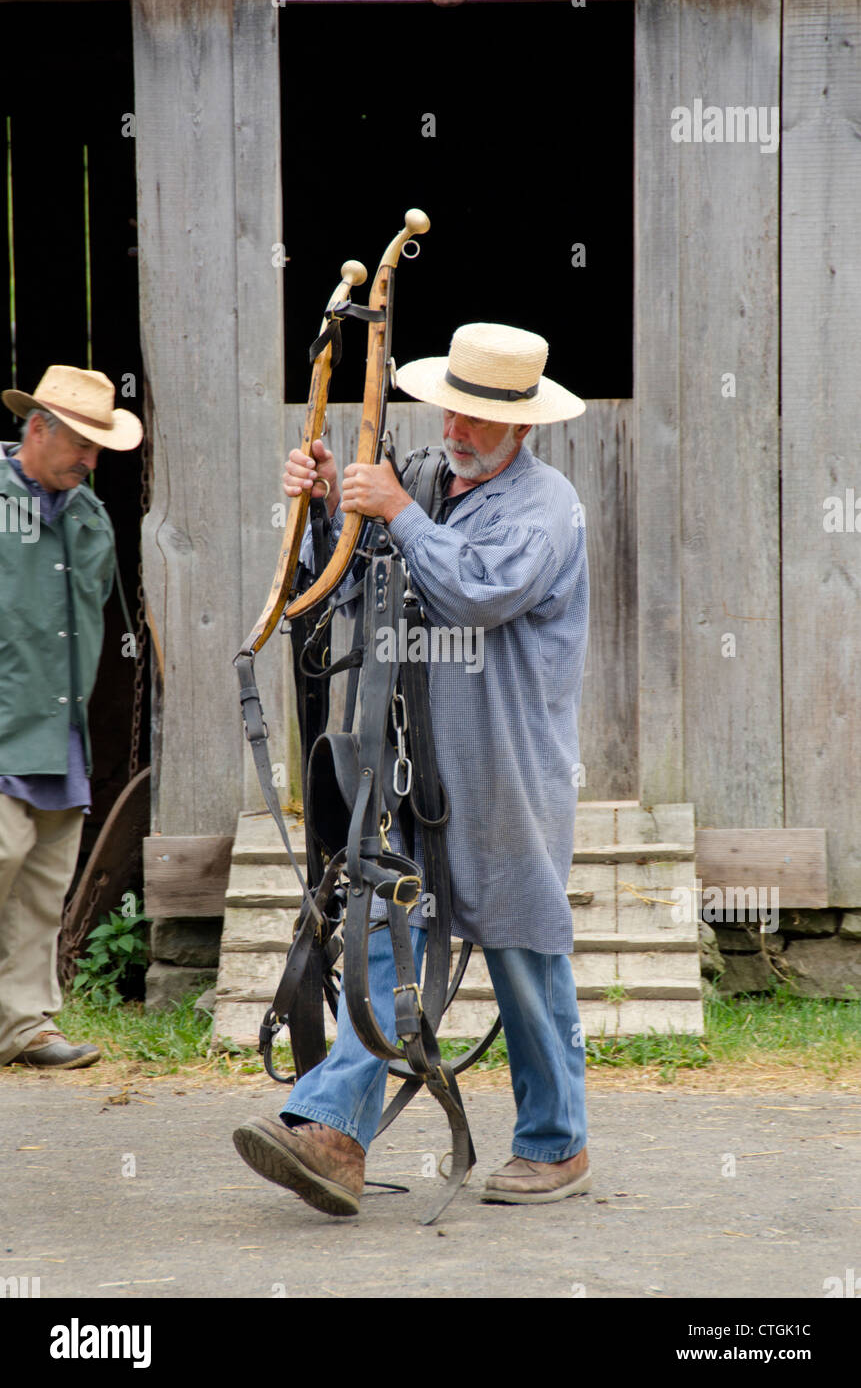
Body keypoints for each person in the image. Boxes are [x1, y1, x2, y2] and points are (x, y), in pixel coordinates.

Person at [234, 323, 590, 1211]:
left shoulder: (546, 507)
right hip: (408, 762)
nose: (456, 430)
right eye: (451, 410)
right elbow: (339, 586)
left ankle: (556, 1143)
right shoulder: (424, 481)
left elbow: (476, 589)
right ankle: (332, 1131)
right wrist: (323, 507)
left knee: (521, 950)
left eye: (477, 419)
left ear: (523, 428)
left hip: (506, 765)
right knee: (391, 935)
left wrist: (394, 510)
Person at [0, 365, 143, 1069]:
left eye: (97, 447)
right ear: (36, 428)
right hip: (3, 718)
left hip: (60, 728)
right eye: (81, 445)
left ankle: (24, 1025)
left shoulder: (88, 516)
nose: (91, 461)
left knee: (44, 881)